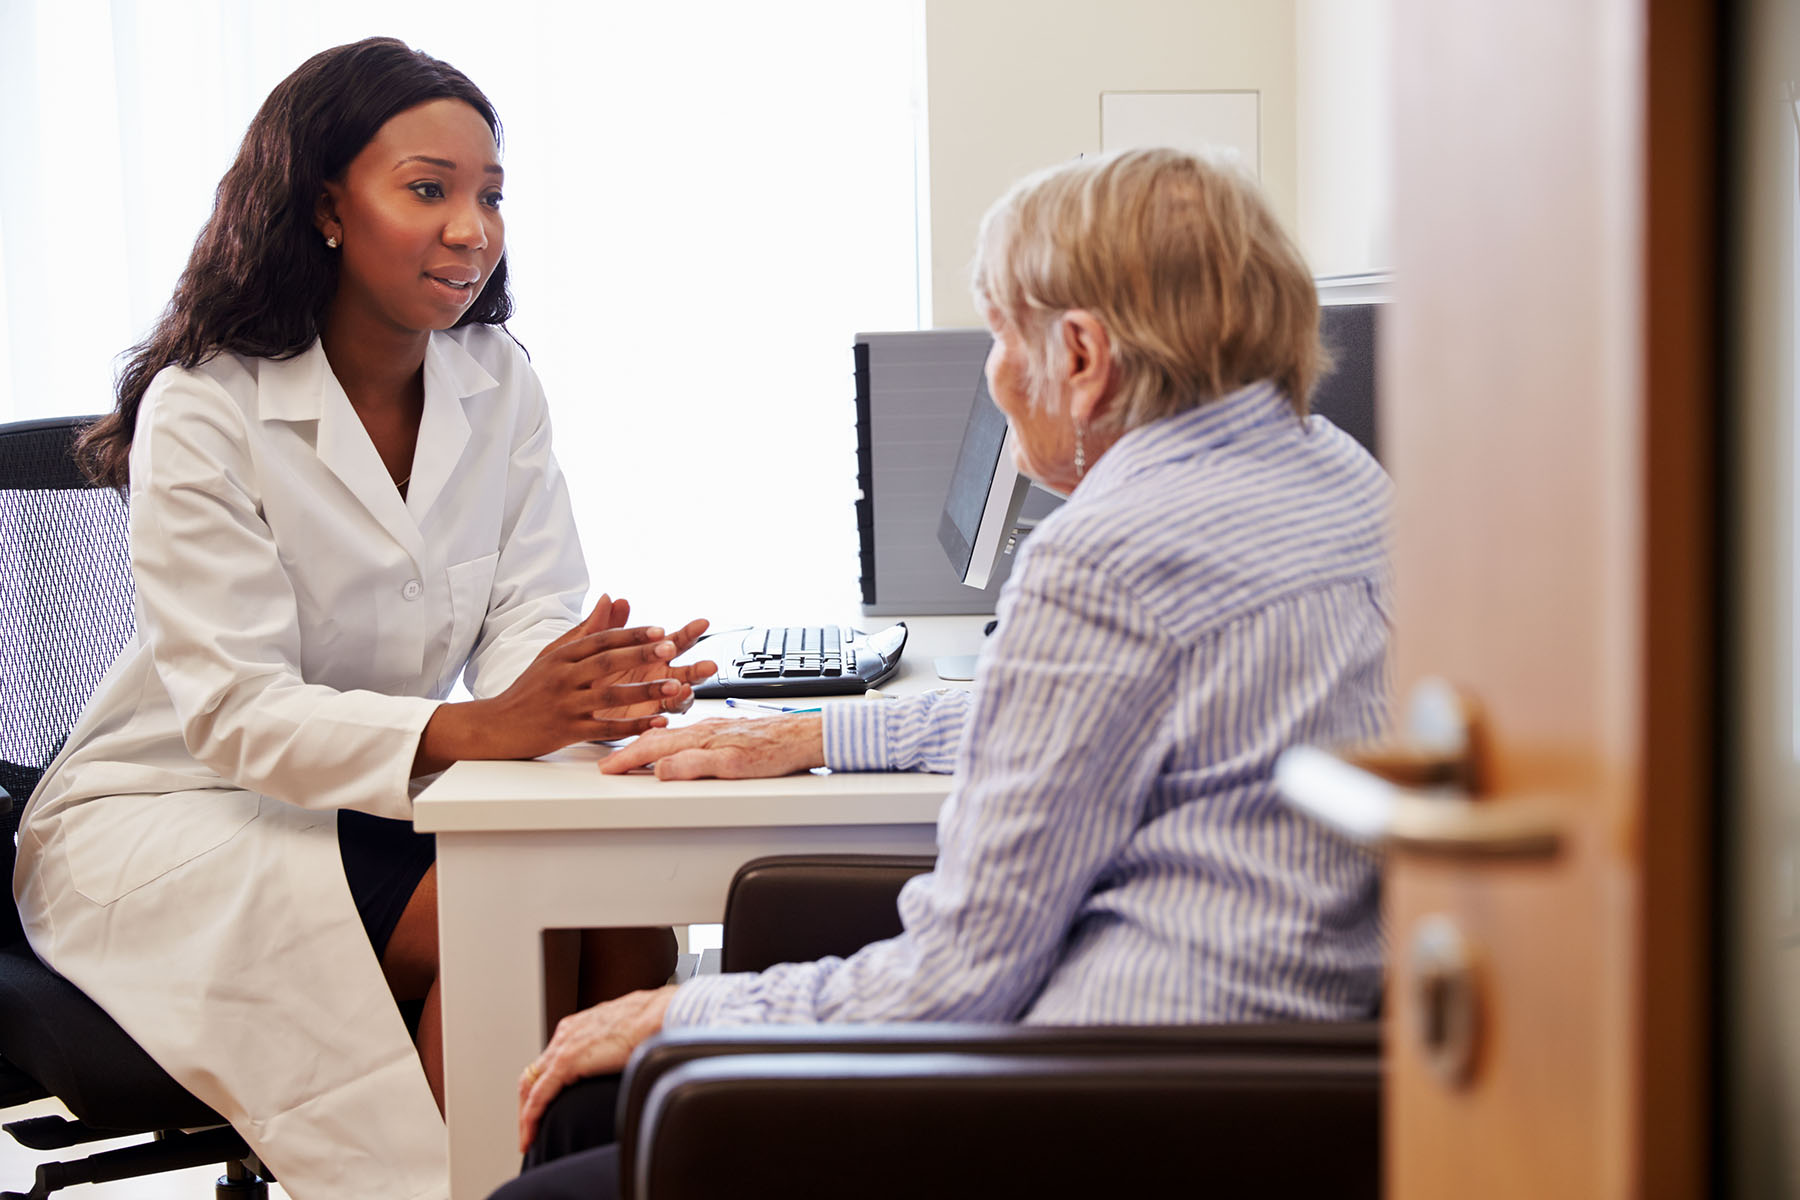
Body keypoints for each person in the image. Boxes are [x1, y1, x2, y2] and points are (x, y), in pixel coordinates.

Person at [490, 146, 1392, 1200]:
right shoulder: (1339, 478)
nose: (994, 373)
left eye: (1003, 335)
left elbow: (957, 980)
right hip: (1273, 1093)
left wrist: (682, 1009)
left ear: (1085, 355)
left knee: (558, 1152)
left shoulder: (1104, 557)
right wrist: (822, 735)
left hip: (1087, 1110)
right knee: (593, 1112)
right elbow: (1108, 720)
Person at [11, 38, 714, 1200]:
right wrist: (482, 731)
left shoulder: (497, 378)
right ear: (327, 206)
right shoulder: (208, 403)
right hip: (173, 810)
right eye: (429, 189)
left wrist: (586, 692)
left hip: (373, 787)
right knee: (517, 916)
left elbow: (533, 605)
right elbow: (237, 716)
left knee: (618, 918)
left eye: (490, 196)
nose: (472, 227)